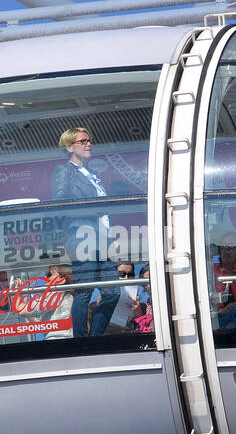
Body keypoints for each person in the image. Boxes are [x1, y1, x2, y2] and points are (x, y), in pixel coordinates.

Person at [50, 126, 120, 336]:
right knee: (84, 290)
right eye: (83, 141)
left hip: (101, 237)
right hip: (82, 235)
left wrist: (110, 236)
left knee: (112, 292)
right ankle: (80, 339)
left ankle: (95, 337)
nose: (88, 144)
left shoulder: (92, 173)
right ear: (69, 147)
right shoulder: (64, 170)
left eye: (89, 141)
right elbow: (61, 201)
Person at [43, 263, 75, 339]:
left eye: (49, 275)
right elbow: (44, 328)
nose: (45, 278)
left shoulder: (68, 299)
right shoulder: (71, 298)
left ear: (62, 278)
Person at [132, 263, 154, 333]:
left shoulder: (168, 301)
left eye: (151, 281)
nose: (148, 286)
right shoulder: (143, 307)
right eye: (145, 283)